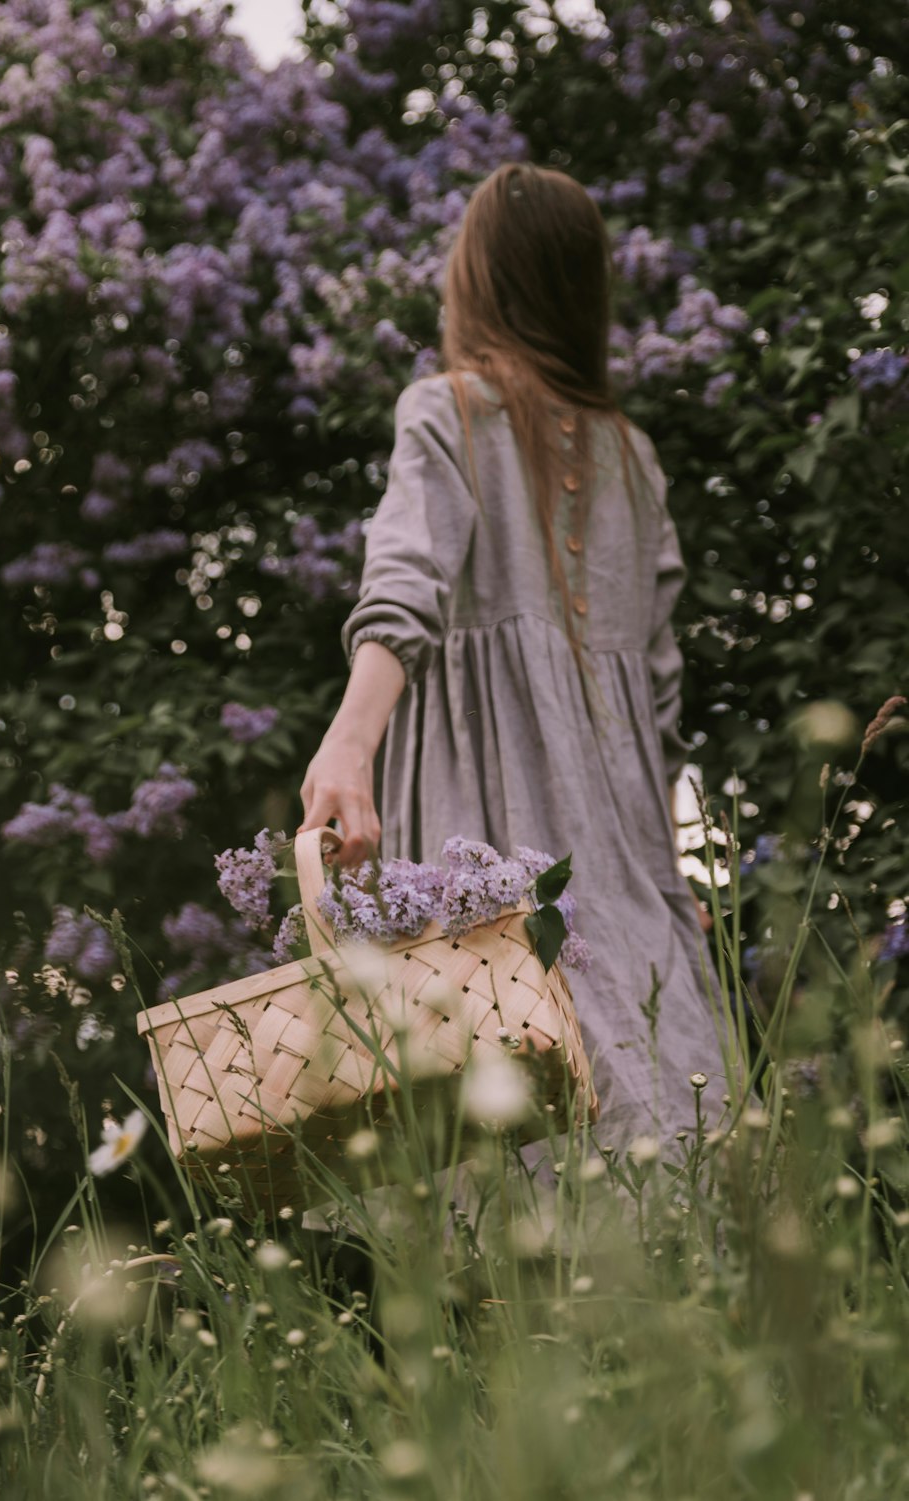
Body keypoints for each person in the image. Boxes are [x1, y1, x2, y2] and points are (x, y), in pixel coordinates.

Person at [298, 161, 727, 1161]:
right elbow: (658, 698)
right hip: (617, 844)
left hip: (477, 827)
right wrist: (665, 872)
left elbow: (401, 590)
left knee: (491, 1079)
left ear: (476, 279)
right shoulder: (634, 457)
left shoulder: (444, 410)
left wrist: (348, 744)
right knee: (655, 1082)